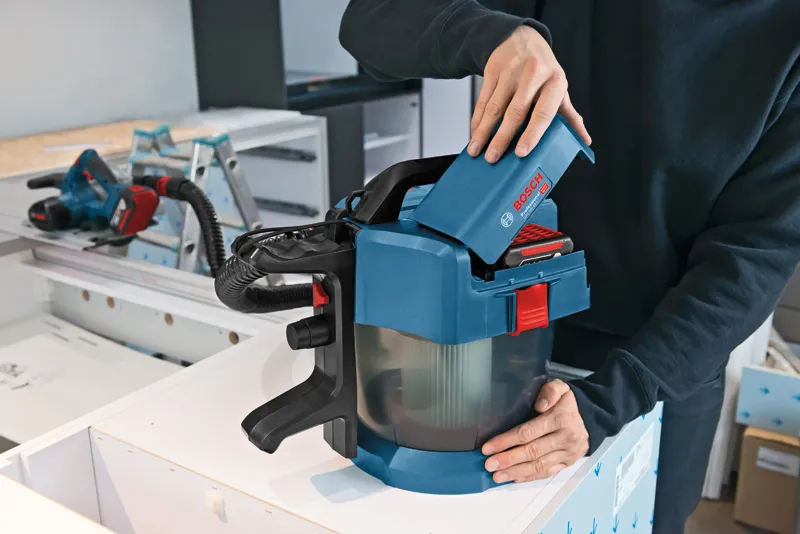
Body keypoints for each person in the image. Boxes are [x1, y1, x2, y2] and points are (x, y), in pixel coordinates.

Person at [339, 1, 800, 532]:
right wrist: (495, 35)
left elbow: (752, 259)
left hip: (656, 373)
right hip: (492, 352)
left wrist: (608, 400)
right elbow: (369, 21)